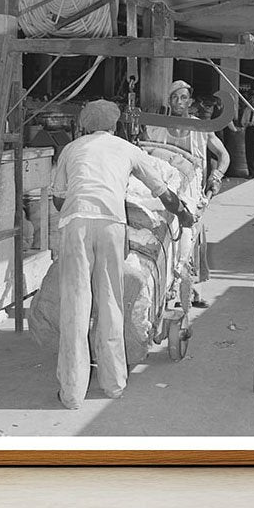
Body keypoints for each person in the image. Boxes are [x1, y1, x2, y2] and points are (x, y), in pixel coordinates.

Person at [51, 99, 194, 409]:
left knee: (75, 306)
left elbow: (58, 201)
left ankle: (72, 393)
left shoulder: (71, 149)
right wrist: (183, 215)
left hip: (76, 223)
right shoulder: (127, 149)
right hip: (112, 225)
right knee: (110, 302)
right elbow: (162, 191)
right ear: (115, 125)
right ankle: (114, 384)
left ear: (84, 125)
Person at [144, 80, 229, 307]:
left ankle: (189, 289)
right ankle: (166, 288)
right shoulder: (157, 127)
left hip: (190, 188)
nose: (179, 101)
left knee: (189, 235)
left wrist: (217, 175)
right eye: (174, 97)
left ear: (190, 101)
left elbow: (224, 155)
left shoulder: (201, 128)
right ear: (169, 101)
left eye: (183, 97)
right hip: (165, 184)